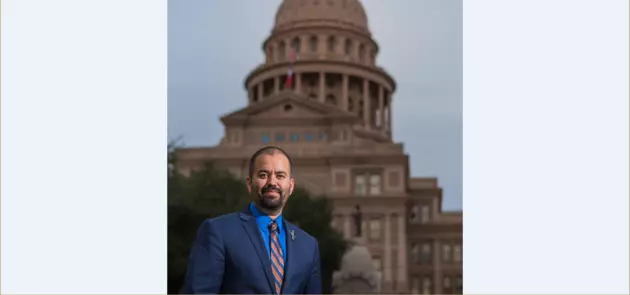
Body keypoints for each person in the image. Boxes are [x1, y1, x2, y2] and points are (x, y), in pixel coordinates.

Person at [181, 146, 322, 294]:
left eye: (280, 176)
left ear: (291, 186)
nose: (272, 182)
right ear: (249, 183)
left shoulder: (308, 245)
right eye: (263, 175)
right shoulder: (219, 232)